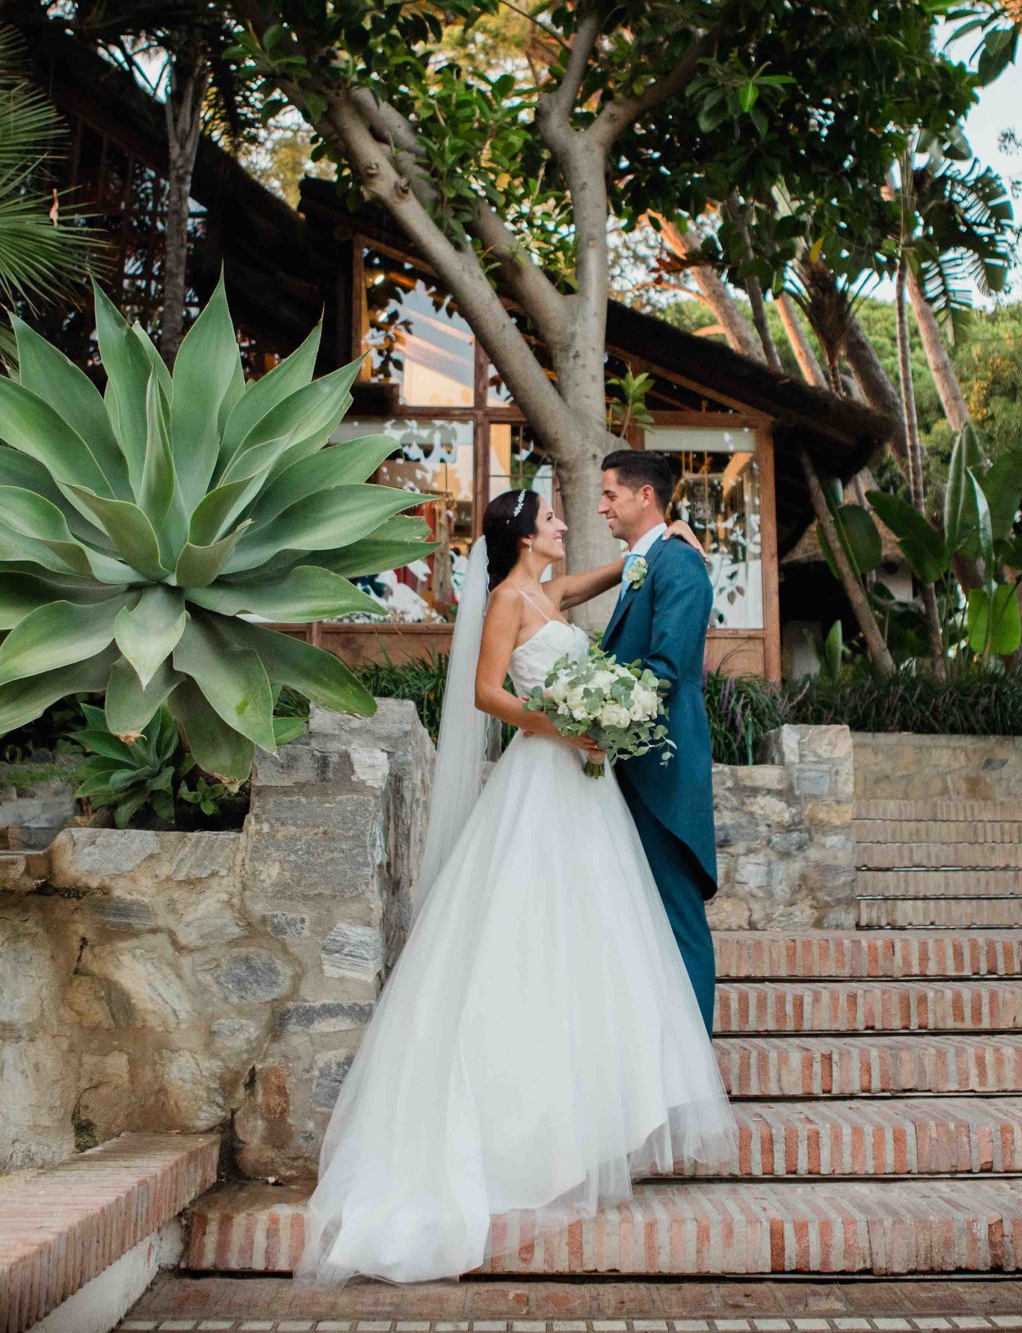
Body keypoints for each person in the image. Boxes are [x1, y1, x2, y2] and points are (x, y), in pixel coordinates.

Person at [295, 487, 736, 1286]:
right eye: (554, 520)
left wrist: (667, 544)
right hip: (544, 771)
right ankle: (517, 1127)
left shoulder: (550, 589)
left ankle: (590, 1118)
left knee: (598, 941)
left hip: (587, 783)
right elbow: (486, 692)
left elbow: (611, 576)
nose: (567, 525)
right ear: (525, 535)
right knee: (526, 935)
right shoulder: (504, 599)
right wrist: (559, 721)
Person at [596, 450, 721, 1031]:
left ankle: (693, 1064)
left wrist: (593, 714)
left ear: (646, 496)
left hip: (664, 764)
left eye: (611, 495)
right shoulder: (644, 562)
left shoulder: (680, 565)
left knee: (678, 917)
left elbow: (667, 667)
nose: (602, 507)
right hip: (634, 763)